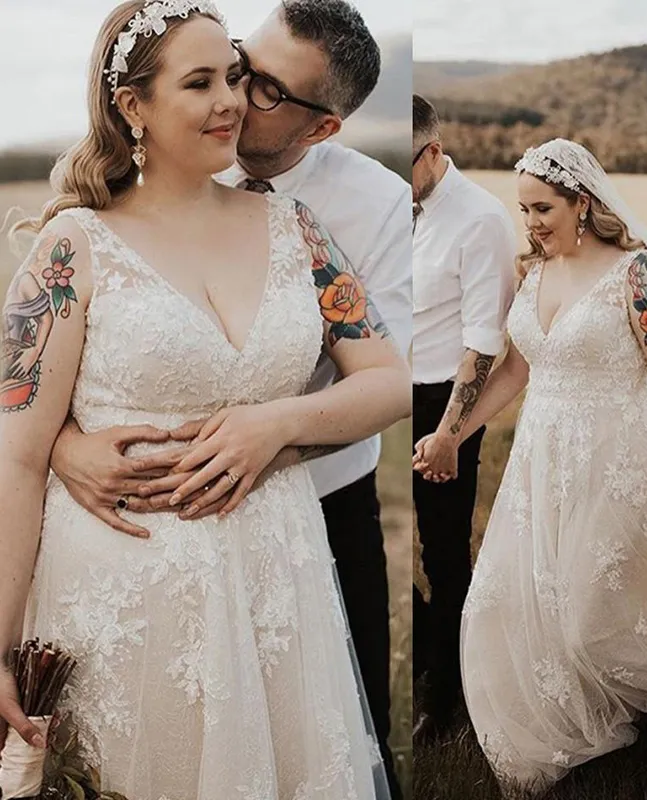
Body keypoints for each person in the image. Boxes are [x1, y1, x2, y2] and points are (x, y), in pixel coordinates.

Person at [0, 3, 410, 798]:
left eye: (233, 76)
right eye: (200, 82)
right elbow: (14, 453)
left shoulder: (298, 226)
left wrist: (275, 424)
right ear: (132, 106)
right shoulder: (72, 247)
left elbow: (388, 379)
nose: (230, 100)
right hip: (130, 595)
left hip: (279, 585)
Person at [413, 138, 647, 795]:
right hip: (542, 464)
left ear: (582, 203)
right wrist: (453, 433)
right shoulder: (535, 273)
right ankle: (562, 724)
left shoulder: (637, 273)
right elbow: (514, 369)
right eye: (523, 208)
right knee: (518, 600)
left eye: (542, 208)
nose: (530, 221)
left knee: (601, 605)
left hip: (618, 461)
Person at [410, 94, 516, 740]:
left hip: (441, 402)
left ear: (434, 152)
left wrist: (450, 434)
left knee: (442, 549)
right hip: (379, 393)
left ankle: (446, 690)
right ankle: (429, 646)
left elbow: (483, 343)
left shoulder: (481, 219)